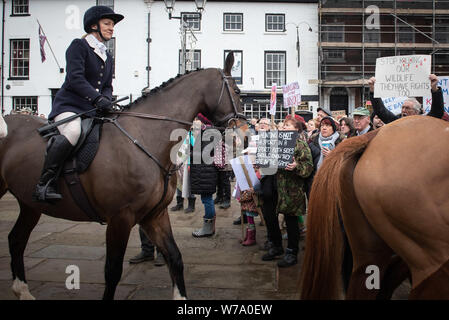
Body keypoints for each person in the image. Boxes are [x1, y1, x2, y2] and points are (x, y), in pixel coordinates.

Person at [33, 5, 123, 202]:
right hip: (70, 106)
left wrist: (106, 99)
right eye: (107, 23)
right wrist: (97, 98)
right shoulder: (78, 46)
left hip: (92, 109)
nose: (111, 28)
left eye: (112, 25)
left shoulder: (107, 56)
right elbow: (75, 79)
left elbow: (107, 85)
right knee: (73, 132)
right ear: (93, 26)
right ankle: (45, 183)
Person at [262, 117, 313, 267]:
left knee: (291, 221)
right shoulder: (274, 141)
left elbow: (308, 169)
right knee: (270, 217)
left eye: (287, 126)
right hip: (273, 186)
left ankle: (292, 252)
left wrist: (297, 165)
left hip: (291, 190)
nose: (283, 128)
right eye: (283, 126)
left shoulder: (301, 145)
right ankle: (276, 246)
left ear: (297, 129)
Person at [367, 74, 444, 124]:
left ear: (416, 111)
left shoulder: (424, 122)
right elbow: (380, 111)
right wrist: (373, 91)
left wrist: (434, 89)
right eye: (402, 107)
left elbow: (437, 112)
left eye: (407, 108)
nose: (403, 110)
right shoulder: (397, 122)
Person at [191, 115, 219, 238]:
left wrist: (189, 154)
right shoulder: (209, 131)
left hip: (205, 171)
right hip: (206, 171)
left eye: (197, 119)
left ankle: (208, 228)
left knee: (207, 200)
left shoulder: (207, 132)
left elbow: (202, 153)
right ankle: (209, 227)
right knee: (207, 199)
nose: (194, 122)